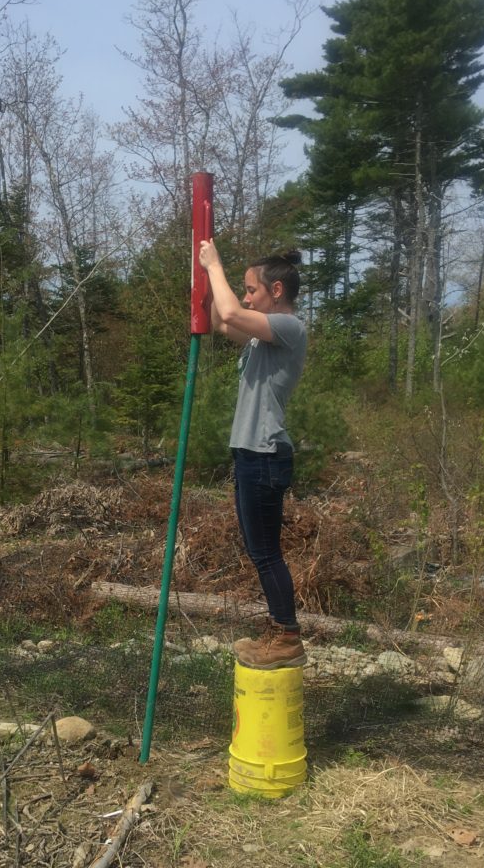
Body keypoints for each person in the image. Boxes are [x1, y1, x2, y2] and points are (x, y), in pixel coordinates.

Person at [198, 238, 307, 670]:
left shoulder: (289, 328)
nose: (245, 297)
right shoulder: (262, 337)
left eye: (252, 290)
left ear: (275, 292)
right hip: (250, 453)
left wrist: (215, 265)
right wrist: (204, 279)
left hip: (265, 453)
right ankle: (280, 630)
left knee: (266, 553)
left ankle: (288, 636)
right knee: (258, 550)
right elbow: (219, 323)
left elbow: (229, 312)